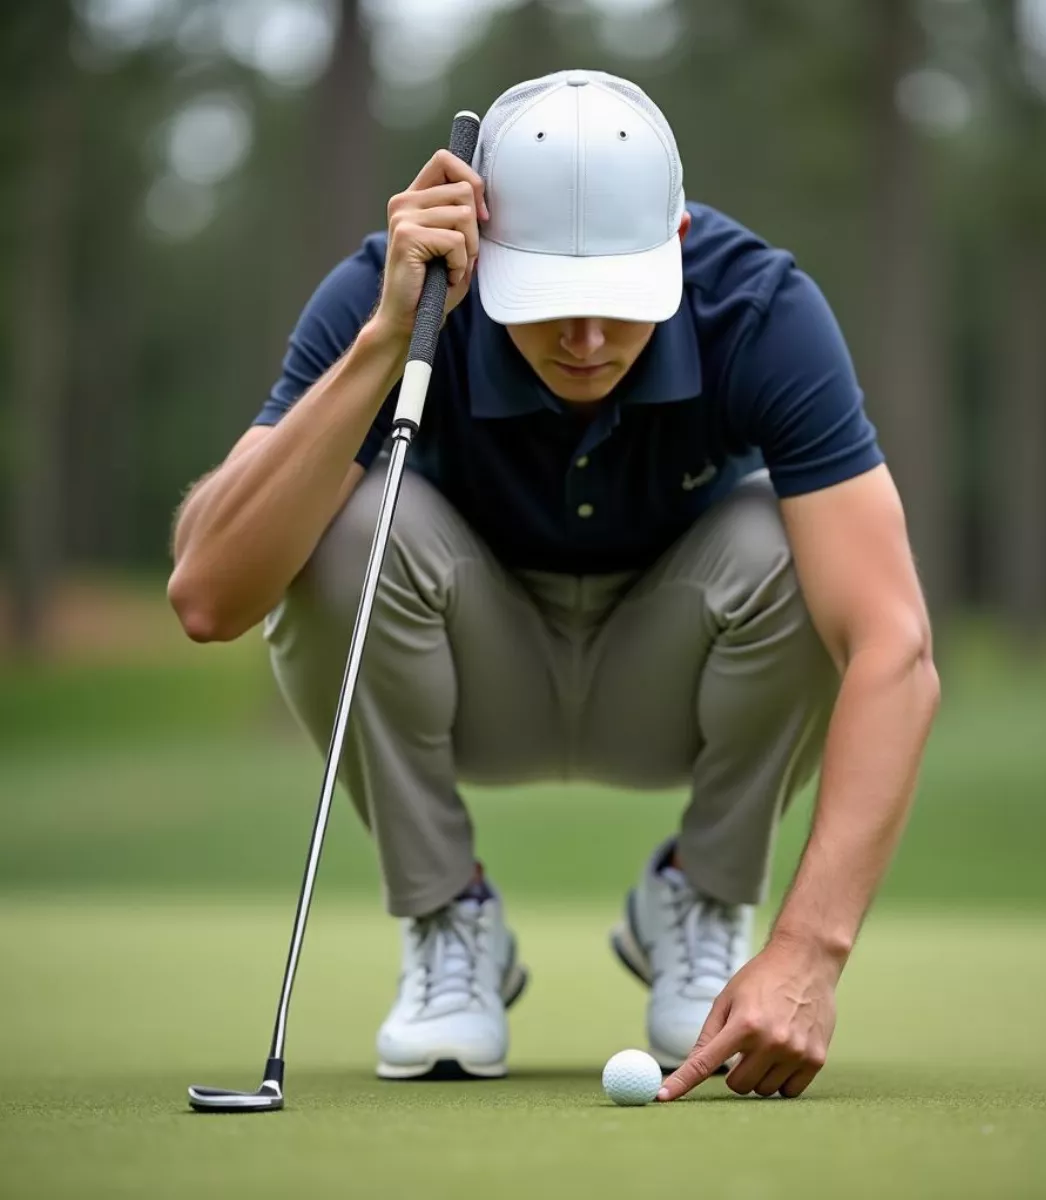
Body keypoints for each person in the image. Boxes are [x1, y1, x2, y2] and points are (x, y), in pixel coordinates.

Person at [167, 69, 940, 1102]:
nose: (584, 340)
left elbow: (897, 647)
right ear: (480, 249)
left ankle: (701, 903)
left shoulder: (757, 306)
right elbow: (209, 597)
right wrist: (384, 344)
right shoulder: (393, 287)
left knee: (799, 543)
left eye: (615, 303)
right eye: (549, 302)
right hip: (466, 672)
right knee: (347, 522)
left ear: (673, 238)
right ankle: (451, 918)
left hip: (677, 677)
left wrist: (811, 952)